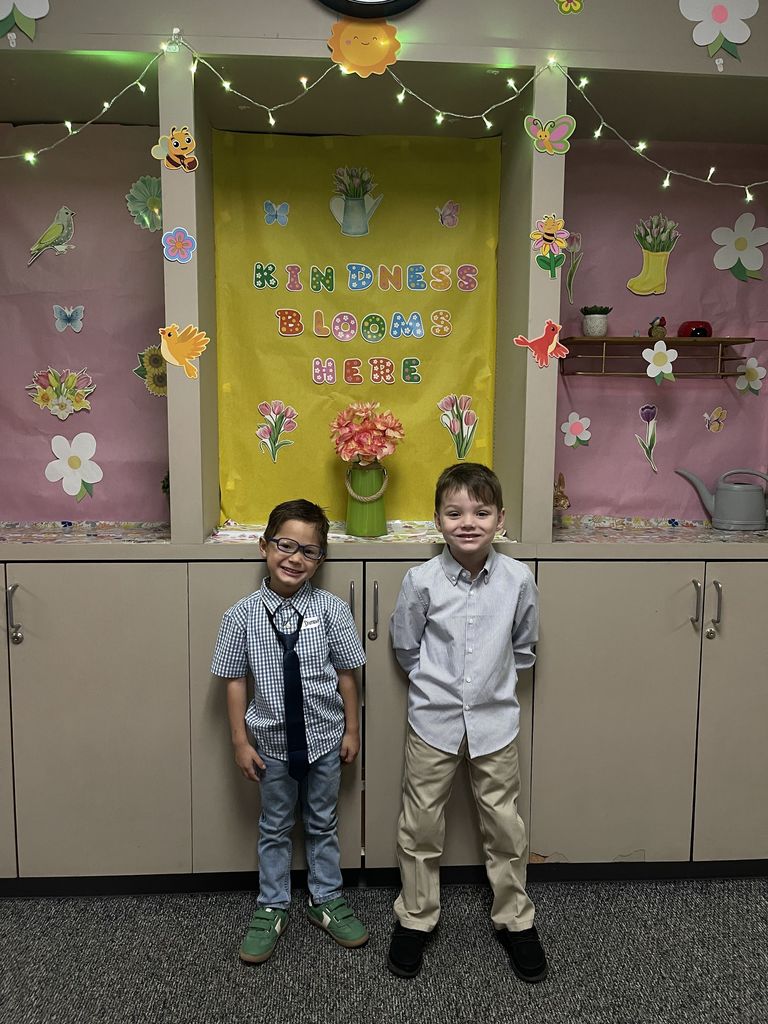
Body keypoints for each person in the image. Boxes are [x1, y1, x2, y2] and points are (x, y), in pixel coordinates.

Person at [387, 463, 547, 982]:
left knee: (504, 825)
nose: (468, 522)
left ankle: (515, 919)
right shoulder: (421, 580)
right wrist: (439, 689)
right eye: (454, 512)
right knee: (420, 824)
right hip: (432, 723)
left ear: (500, 518)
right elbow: (406, 645)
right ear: (438, 520)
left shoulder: (519, 579)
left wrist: (488, 689)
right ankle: (416, 917)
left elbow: (524, 647)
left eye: (481, 511)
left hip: (495, 724)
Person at [211, 498, 368, 964]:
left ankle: (327, 899)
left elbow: (347, 675)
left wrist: (352, 730)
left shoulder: (334, 610)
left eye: (310, 551)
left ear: (321, 559)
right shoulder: (240, 615)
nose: (295, 558)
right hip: (273, 747)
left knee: (322, 822)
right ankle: (272, 905)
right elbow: (235, 680)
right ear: (264, 546)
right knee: (275, 825)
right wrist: (240, 741)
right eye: (285, 545)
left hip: (324, 740)